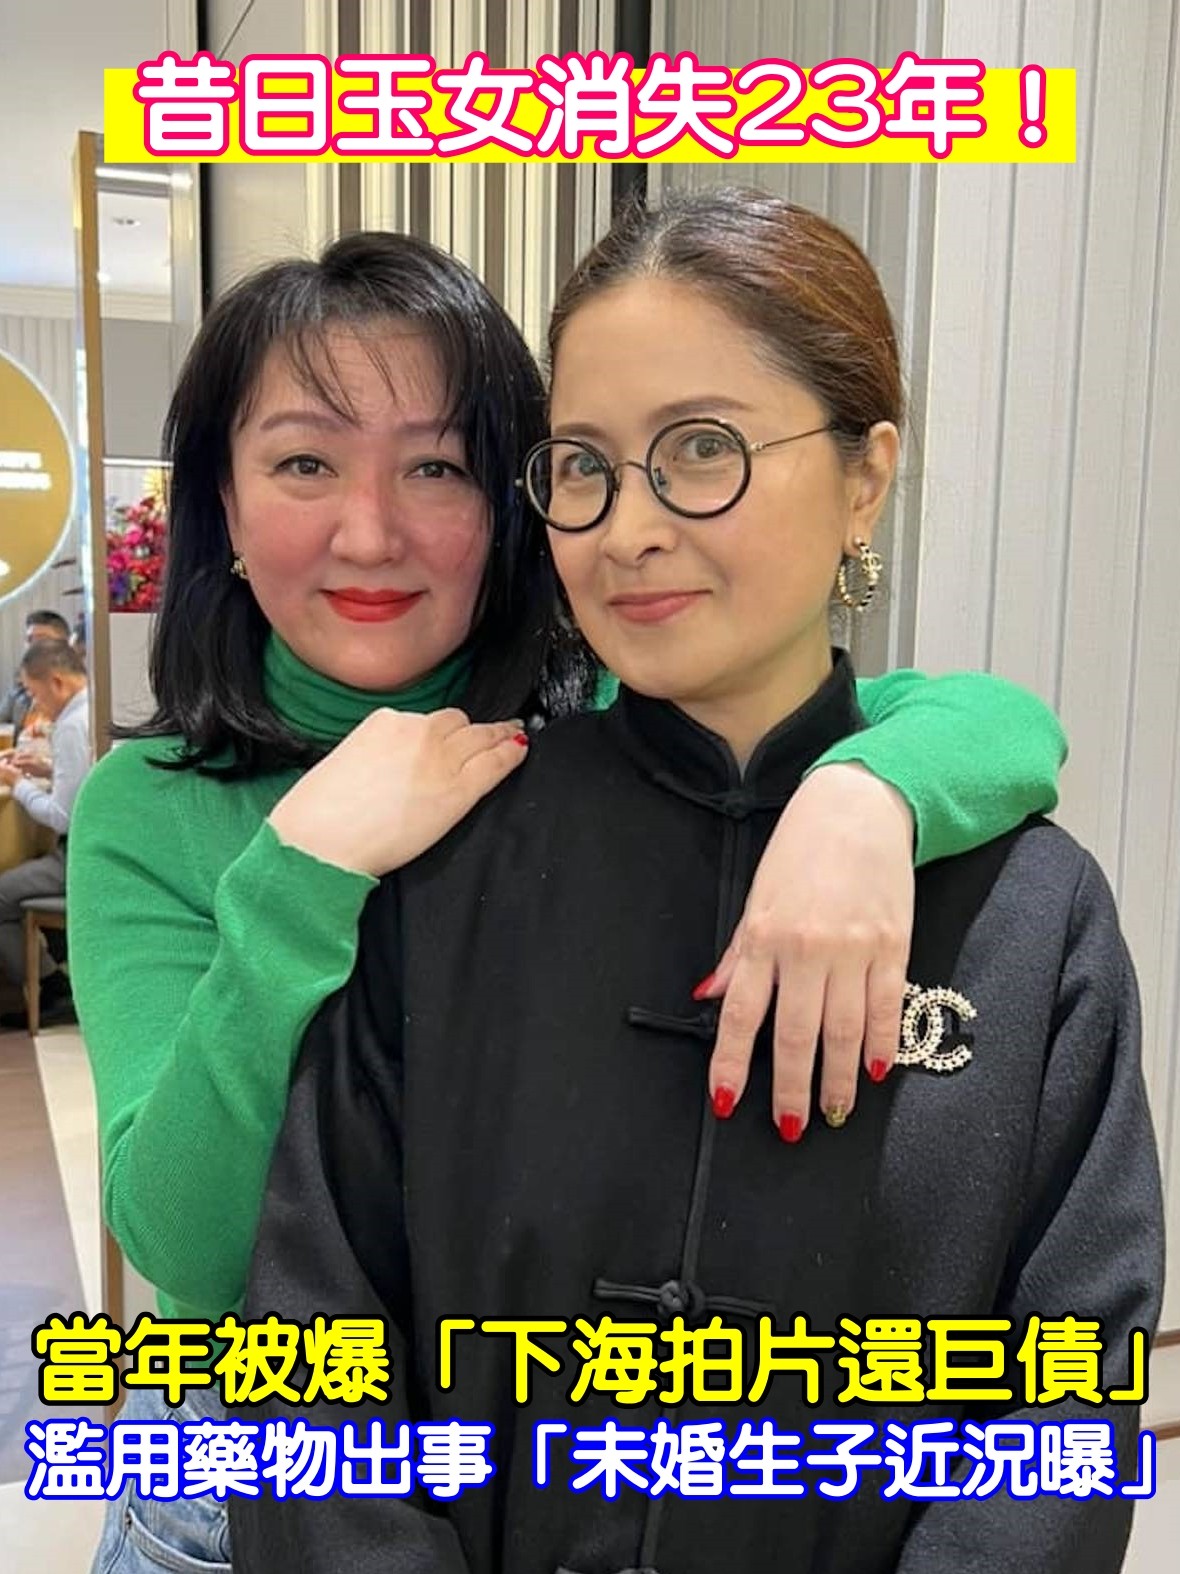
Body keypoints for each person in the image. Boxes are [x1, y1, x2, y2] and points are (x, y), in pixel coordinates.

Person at [69, 230, 1066, 1574]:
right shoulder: (155, 805)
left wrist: (867, 791)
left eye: (436, 466)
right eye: (304, 463)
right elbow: (186, 1244)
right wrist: (302, 873)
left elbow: (992, 722)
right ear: (224, 510)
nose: (370, 530)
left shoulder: (591, 721)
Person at [0, 638, 88, 1028]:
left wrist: (17, 784)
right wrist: (46, 771)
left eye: (36, 694)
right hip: (92, 843)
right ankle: (54, 975)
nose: (36, 705)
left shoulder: (70, 725)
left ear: (56, 682)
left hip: (78, 854)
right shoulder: (91, 707)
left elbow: (61, 818)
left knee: (2, 893)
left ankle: (48, 989)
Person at [0, 607, 71, 742]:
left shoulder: (76, 694)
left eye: (42, 639)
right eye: (29, 640)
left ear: (65, 646)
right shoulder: (18, 694)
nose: (33, 646)